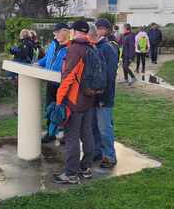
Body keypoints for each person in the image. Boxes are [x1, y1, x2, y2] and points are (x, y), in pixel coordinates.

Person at [54, 20, 95, 184]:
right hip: (89, 99)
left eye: (71, 30)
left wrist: (59, 101)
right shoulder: (92, 47)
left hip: (74, 101)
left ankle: (70, 174)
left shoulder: (74, 49)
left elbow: (68, 78)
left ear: (76, 31)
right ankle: (86, 168)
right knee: (87, 135)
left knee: (72, 138)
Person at [38, 23, 70, 143]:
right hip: (50, 82)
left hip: (63, 84)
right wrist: (38, 63)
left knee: (63, 110)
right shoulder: (53, 44)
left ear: (65, 32)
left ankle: (65, 135)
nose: (55, 35)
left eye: (57, 32)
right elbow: (47, 58)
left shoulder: (71, 47)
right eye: (54, 32)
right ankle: (51, 133)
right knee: (50, 108)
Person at [93, 19, 119, 168]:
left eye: (98, 29)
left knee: (104, 127)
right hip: (94, 94)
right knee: (94, 126)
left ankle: (109, 156)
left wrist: (103, 95)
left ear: (104, 30)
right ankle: (98, 152)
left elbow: (109, 75)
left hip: (104, 95)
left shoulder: (109, 47)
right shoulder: (96, 46)